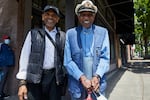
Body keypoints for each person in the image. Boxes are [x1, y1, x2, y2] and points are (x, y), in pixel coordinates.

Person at [16, 5, 66, 100]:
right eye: (47, 14)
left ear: (57, 19)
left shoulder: (63, 36)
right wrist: (22, 83)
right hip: (35, 78)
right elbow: (24, 57)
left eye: (53, 15)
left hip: (54, 79)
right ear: (43, 17)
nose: (50, 17)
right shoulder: (33, 34)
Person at [64, 0, 110, 100]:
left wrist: (97, 76)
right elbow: (67, 61)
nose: (86, 18)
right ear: (78, 16)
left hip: (97, 85)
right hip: (77, 85)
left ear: (94, 16)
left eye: (90, 15)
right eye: (83, 14)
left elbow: (105, 58)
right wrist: (82, 78)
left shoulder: (103, 32)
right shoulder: (70, 34)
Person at [0, 35, 15, 99]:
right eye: (6, 39)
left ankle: (1, 93)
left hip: (7, 65)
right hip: (3, 65)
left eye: (8, 39)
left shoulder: (8, 47)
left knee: (4, 80)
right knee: (2, 80)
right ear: (4, 39)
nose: (7, 40)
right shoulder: (1, 46)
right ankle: (0, 94)